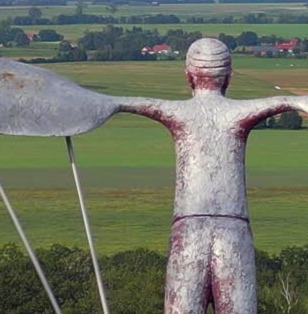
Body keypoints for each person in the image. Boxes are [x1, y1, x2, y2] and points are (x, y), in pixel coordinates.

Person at [120, 38, 292, 314]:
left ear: (189, 76)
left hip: (188, 228)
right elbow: (288, 102)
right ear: (228, 77)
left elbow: (123, 103)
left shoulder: (177, 113)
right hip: (234, 228)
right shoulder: (239, 113)